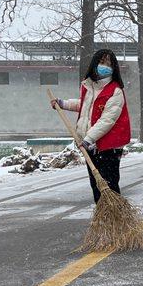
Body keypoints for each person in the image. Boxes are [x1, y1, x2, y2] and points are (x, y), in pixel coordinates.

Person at [50, 49, 131, 203]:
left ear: (114, 68)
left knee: (109, 186)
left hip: (108, 146)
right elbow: (86, 107)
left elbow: (107, 120)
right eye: (102, 62)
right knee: (96, 186)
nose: (105, 66)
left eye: (109, 63)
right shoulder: (90, 86)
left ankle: (115, 220)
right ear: (95, 64)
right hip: (91, 145)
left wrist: (88, 139)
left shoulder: (115, 91)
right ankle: (102, 219)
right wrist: (63, 104)